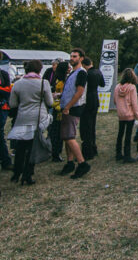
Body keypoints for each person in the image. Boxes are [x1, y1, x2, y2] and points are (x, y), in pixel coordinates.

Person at [7, 60, 53, 186]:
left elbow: (13, 104)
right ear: (39, 69)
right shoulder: (44, 83)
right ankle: (28, 174)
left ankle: (17, 172)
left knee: (21, 146)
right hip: (38, 118)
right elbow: (50, 102)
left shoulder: (18, 83)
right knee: (33, 147)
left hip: (23, 117)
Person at [58, 48, 90, 179]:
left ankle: (82, 163)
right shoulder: (73, 73)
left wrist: (68, 106)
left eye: (75, 56)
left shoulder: (81, 73)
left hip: (73, 108)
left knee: (69, 136)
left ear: (81, 58)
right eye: (71, 56)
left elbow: (79, 92)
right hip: (68, 106)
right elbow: (71, 90)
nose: (72, 58)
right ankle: (70, 162)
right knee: (67, 137)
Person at [114, 68, 138, 163]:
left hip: (121, 114)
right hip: (129, 114)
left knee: (120, 134)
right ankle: (127, 156)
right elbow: (134, 103)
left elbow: (114, 101)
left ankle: (118, 153)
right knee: (128, 135)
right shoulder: (132, 87)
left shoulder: (117, 87)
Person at [80, 57, 105, 160]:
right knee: (92, 125)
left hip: (87, 100)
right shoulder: (98, 72)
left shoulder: (86, 74)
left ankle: (87, 151)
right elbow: (102, 84)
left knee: (86, 126)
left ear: (84, 65)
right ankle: (93, 147)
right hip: (95, 100)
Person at [47, 61, 69, 162]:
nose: (69, 68)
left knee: (55, 131)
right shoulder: (62, 80)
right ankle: (56, 153)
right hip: (58, 108)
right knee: (58, 132)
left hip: (56, 107)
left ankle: (54, 152)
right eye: (67, 67)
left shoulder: (56, 78)